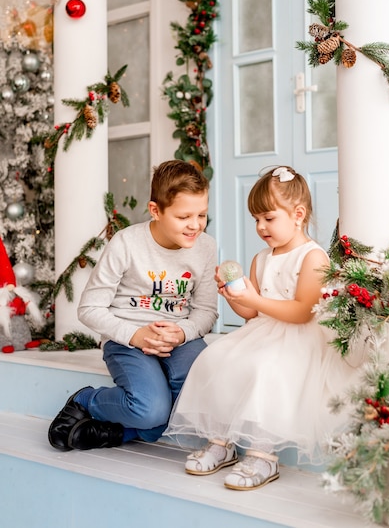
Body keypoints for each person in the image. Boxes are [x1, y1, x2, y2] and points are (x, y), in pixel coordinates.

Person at [164, 165, 359, 491]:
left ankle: (262, 454)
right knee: (218, 358)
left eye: (268, 218)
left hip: (299, 336)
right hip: (265, 329)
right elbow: (251, 312)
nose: (260, 226)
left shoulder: (312, 257)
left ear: (297, 214)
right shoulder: (261, 258)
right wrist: (232, 296)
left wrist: (254, 297)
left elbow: (301, 312)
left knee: (266, 367)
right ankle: (220, 441)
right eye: (256, 219)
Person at [48, 159, 218, 452]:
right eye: (183, 216)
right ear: (156, 211)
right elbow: (89, 308)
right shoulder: (127, 243)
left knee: (196, 402)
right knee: (151, 410)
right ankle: (87, 400)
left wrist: (182, 333)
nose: (195, 225)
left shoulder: (206, 247)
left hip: (180, 339)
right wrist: (135, 336)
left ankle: (117, 434)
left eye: (201, 214)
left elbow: (206, 310)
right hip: (127, 339)